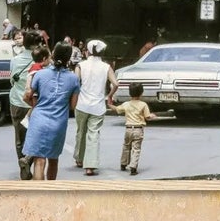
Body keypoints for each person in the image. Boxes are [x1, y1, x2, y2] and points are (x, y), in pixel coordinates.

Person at [22, 43, 81, 181]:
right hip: (58, 122)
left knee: (39, 161)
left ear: (53, 55)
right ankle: (51, 194)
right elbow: (73, 105)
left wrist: (35, 106)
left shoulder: (40, 74)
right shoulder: (74, 79)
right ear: (68, 59)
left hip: (38, 120)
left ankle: (39, 197)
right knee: (53, 160)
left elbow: (26, 96)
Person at [73, 40, 116, 176]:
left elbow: (74, 84)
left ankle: (79, 159)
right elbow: (116, 83)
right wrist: (109, 96)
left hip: (81, 104)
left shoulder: (80, 65)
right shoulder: (106, 67)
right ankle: (90, 166)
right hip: (98, 105)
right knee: (93, 134)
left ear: (88, 51)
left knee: (81, 131)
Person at [8, 34, 42, 180]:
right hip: (35, 104)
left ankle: (23, 165)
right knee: (38, 136)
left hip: (16, 101)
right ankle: (28, 160)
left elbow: (11, 80)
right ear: (36, 45)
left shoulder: (15, 60)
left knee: (19, 137)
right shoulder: (41, 62)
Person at [111, 82, 156, 175]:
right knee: (136, 148)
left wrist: (109, 103)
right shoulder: (143, 105)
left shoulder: (126, 104)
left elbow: (116, 109)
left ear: (129, 93)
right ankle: (133, 167)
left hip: (128, 129)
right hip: (138, 129)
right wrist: (152, 116)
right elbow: (147, 117)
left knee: (126, 146)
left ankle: (123, 164)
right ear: (141, 93)